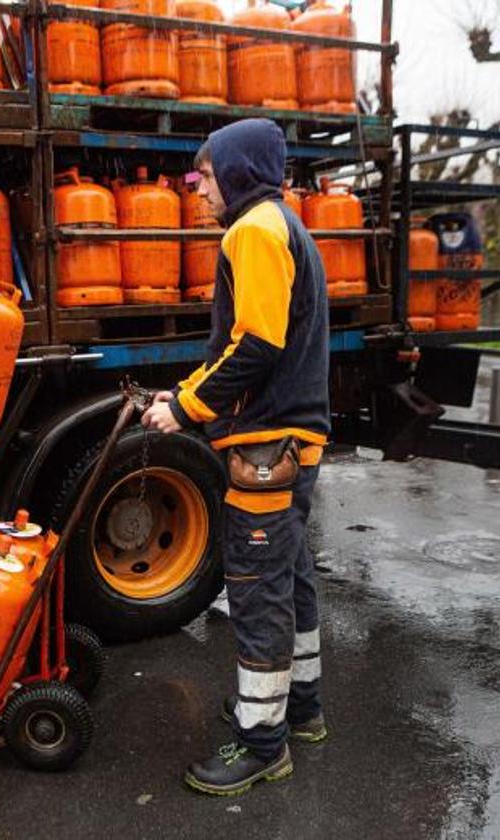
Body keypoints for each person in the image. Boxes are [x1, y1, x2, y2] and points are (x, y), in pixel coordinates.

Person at [141, 118, 331, 796]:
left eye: (205, 178)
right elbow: (250, 345)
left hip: (265, 446)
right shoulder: (284, 225)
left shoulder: (251, 231)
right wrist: (188, 390)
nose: (197, 192)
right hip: (290, 439)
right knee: (290, 580)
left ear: (240, 172)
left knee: (255, 593)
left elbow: (255, 346)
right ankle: (297, 710)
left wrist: (185, 409)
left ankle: (261, 743)